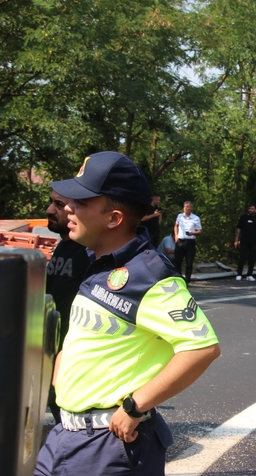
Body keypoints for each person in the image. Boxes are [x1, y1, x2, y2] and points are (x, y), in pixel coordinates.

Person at [36, 151, 220, 475]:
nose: (68, 207)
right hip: (66, 435)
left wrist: (136, 405)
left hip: (107, 445)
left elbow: (202, 348)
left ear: (113, 219)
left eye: (81, 201)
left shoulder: (149, 274)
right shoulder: (99, 260)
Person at [45, 190, 92, 424]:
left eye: (58, 204)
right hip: (51, 345)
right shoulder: (63, 246)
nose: (49, 210)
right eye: (51, 203)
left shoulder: (88, 253)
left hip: (71, 354)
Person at [174, 201, 202, 283]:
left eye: (187, 206)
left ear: (191, 208)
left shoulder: (195, 218)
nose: (186, 208)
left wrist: (192, 233)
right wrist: (176, 235)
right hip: (180, 241)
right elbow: (176, 225)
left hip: (190, 242)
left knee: (189, 262)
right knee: (177, 261)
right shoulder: (180, 216)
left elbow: (199, 231)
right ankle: (178, 279)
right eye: (184, 206)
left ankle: (187, 280)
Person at [234, 204, 256, 281]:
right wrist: (236, 240)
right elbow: (239, 229)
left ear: (255, 210)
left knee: (252, 258)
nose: (250, 210)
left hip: (253, 241)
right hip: (244, 241)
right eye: (249, 208)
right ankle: (239, 274)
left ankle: (249, 274)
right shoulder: (243, 218)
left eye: (252, 209)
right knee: (242, 257)